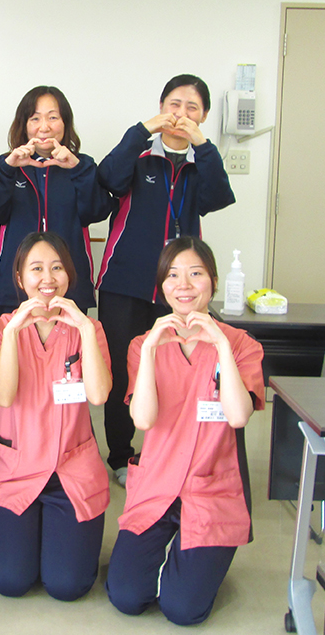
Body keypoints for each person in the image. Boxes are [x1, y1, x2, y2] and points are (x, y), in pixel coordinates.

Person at [105, 237, 264, 625]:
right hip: (158, 482)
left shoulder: (242, 345)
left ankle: (199, 565)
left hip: (212, 488)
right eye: (173, 276)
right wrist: (150, 350)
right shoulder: (144, 344)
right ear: (162, 286)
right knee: (127, 596)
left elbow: (238, 416)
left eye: (195, 274)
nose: (184, 285)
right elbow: (143, 420)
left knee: (183, 610)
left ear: (213, 281)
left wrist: (221, 345)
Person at [95, 74, 236, 485]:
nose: (181, 114)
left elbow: (217, 197)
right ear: (161, 108)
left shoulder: (200, 163)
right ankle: (121, 456)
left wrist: (204, 147)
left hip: (180, 290)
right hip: (124, 282)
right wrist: (142, 131)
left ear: (203, 116)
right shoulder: (139, 155)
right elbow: (107, 178)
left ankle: (168, 452)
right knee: (123, 371)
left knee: (175, 371)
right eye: (174, 105)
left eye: (192, 108)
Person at [0, 231, 111, 601]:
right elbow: (3, 394)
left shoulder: (89, 329)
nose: (48, 278)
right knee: (10, 581)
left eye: (57, 268)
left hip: (71, 470)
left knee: (68, 585)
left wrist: (85, 328)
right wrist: (13, 331)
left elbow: (99, 395)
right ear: (20, 279)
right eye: (36, 269)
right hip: (14, 469)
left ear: (69, 275)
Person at [0, 86, 112, 315]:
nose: (44, 127)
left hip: (69, 284)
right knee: (13, 338)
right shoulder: (7, 164)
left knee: (73, 339)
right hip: (16, 286)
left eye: (53, 117)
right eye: (35, 118)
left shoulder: (81, 164)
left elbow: (97, 212)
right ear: (24, 125)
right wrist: (8, 168)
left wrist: (77, 169)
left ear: (65, 123)